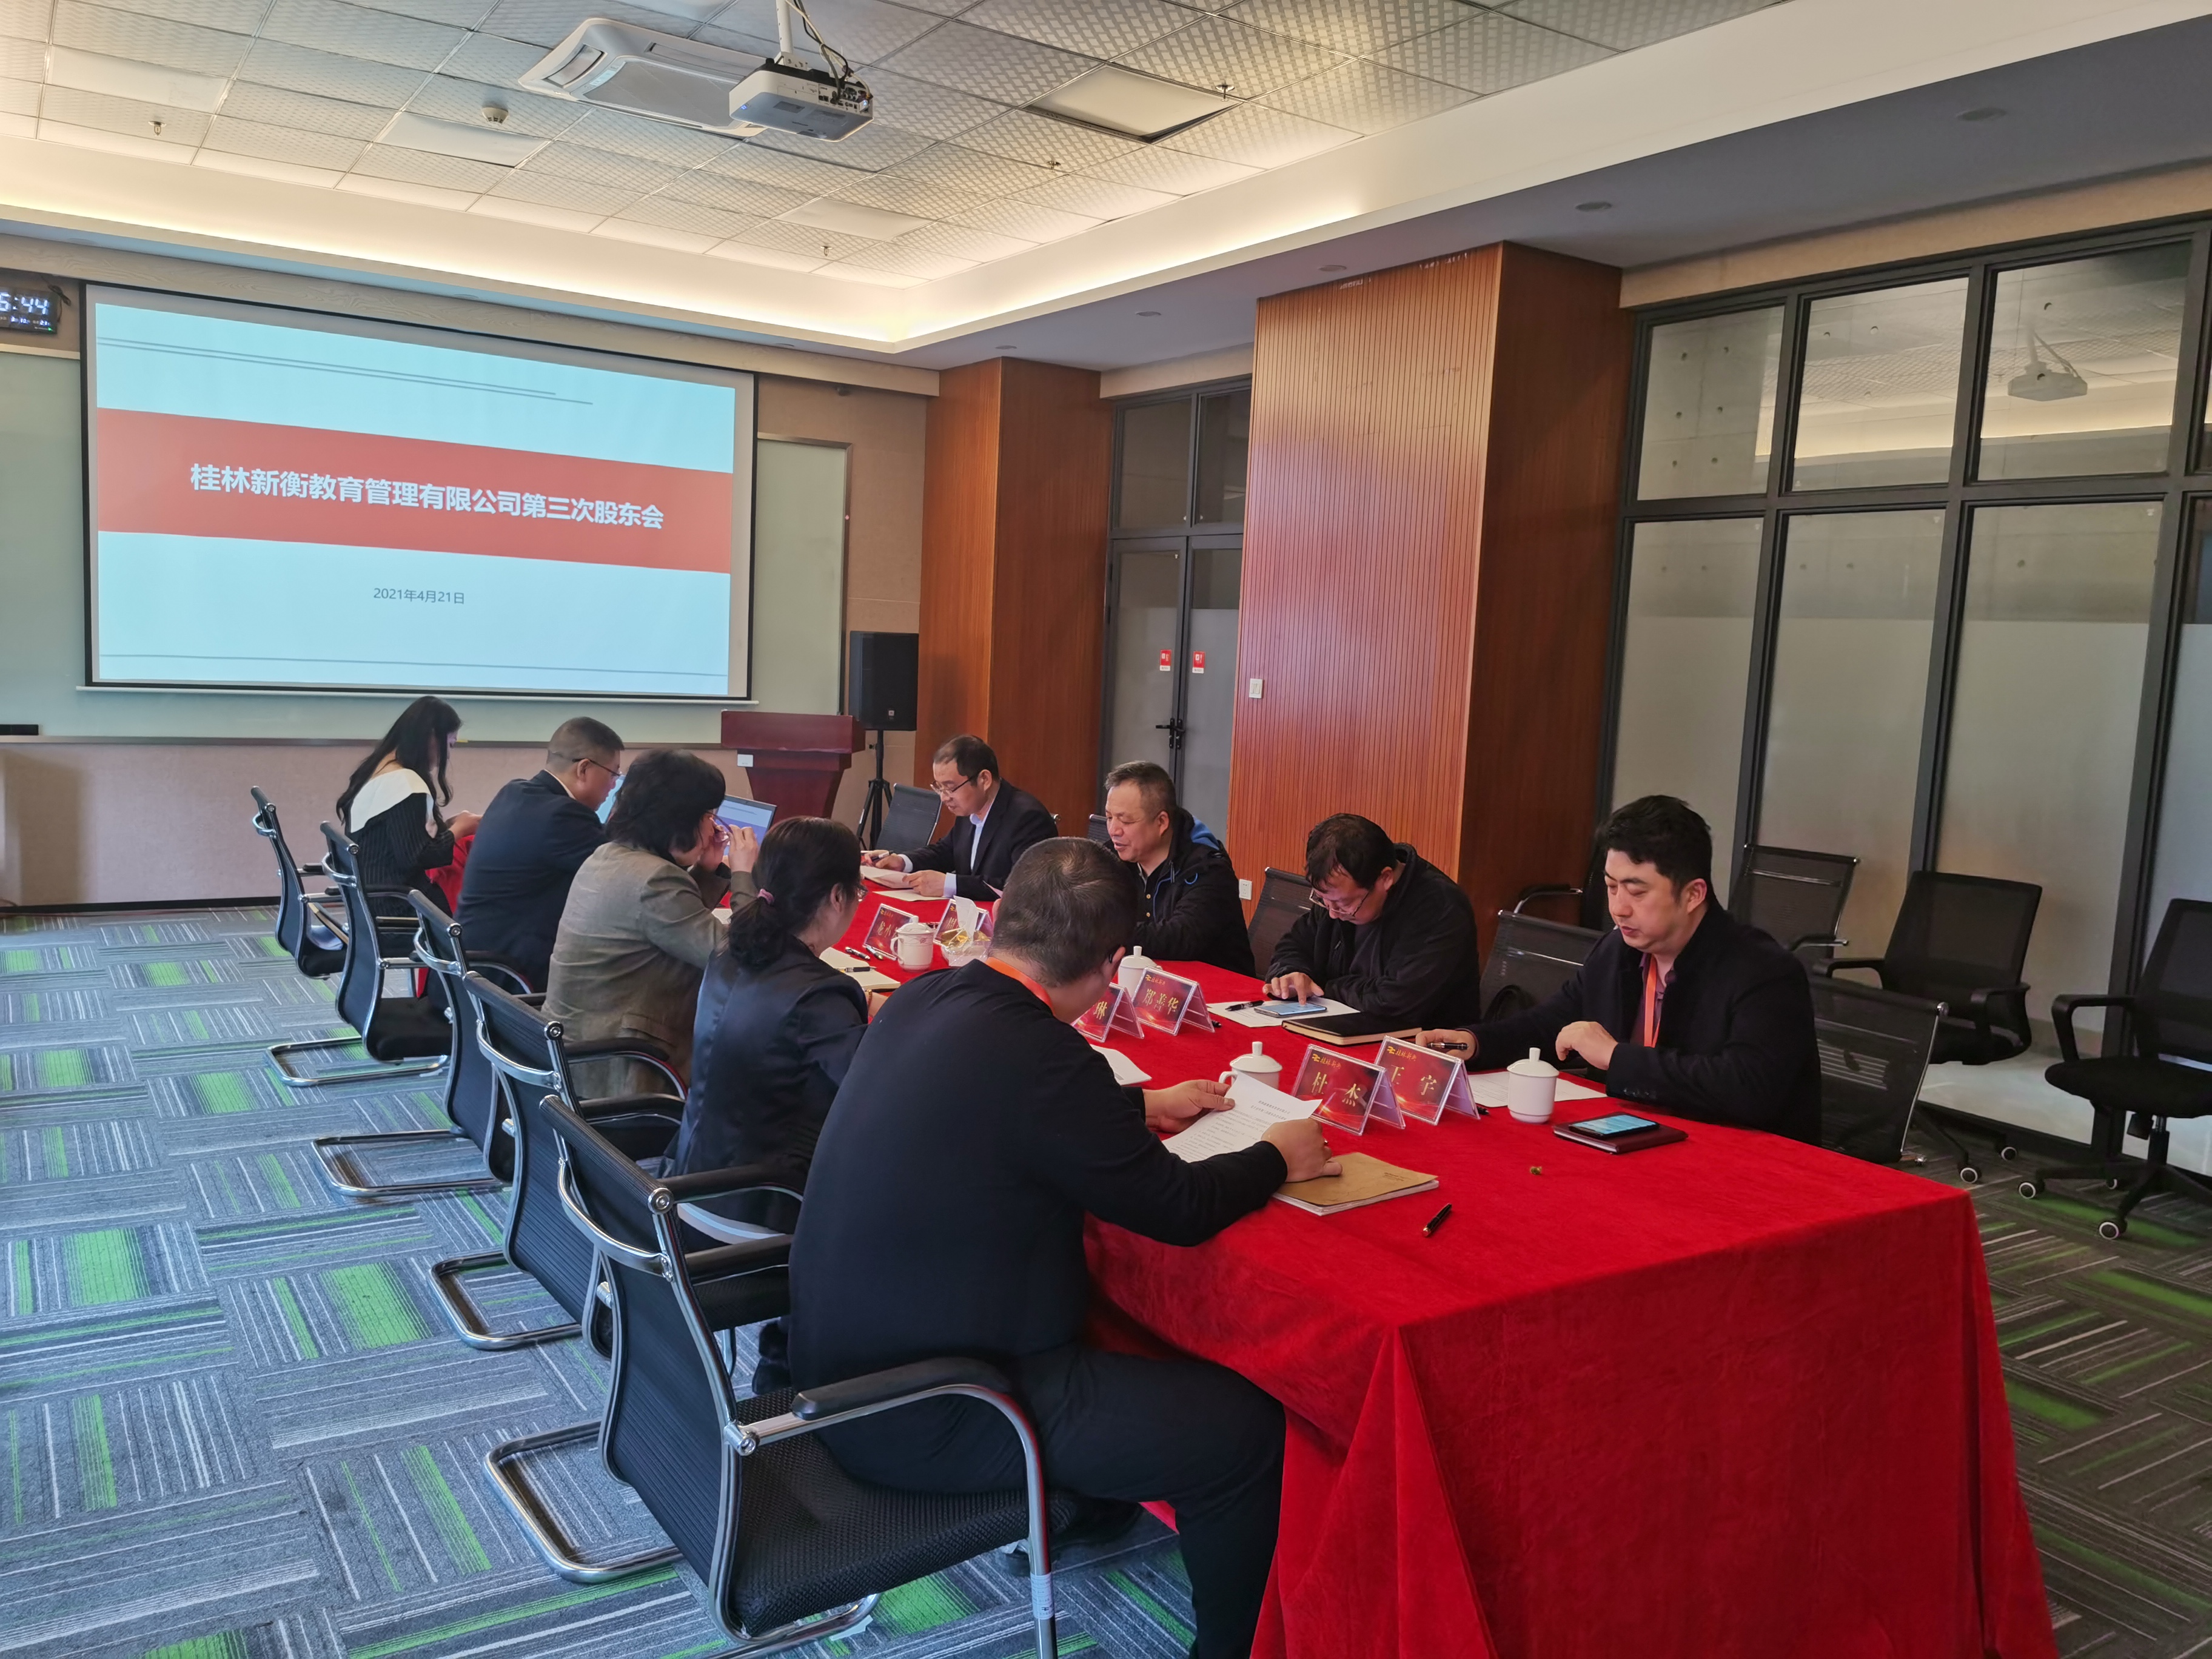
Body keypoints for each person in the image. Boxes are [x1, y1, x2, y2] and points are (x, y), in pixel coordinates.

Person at [789, 839, 1336, 1659]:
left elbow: (1002, 1105)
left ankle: (1099, 1497)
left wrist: (1140, 1103)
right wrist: (1275, 1156)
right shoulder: (1046, 1056)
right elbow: (1178, 1208)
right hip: (940, 1404)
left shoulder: (925, 996)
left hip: (840, 1369)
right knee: (1244, 1437)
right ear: (1113, 964)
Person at [1416, 795, 1820, 1143]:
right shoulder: (1619, 950)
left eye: (1636, 891)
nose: (1618, 908)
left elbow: (1748, 1088)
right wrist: (1474, 1043)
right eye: (1611, 887)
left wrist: (1616, 1057)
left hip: (1742, 1161)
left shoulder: (1763, 971)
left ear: (1693, 894)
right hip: (1636, 1140)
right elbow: (1552, 1023)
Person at [675, 816, 871, 1235]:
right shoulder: (822, 995)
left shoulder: (729, 950)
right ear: (838, 896)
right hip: (760, 1210)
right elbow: (874, 1099)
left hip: (686, 1183)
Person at [544, 749, 757, 1096]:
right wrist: (743, 874)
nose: (713, 828)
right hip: (620, 1072)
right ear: (680, 819)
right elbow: (742, 957)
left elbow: (669, 926)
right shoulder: (655, 880)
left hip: (574, 1056)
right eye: (708, 816)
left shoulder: (608, 855)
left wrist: (706, 871)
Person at [1264, 814, 1480, 1027]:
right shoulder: (1337, 897)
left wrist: (1323, 987)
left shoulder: (1440, 908)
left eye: (1344, 903)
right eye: (1322, 900)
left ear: (1385, 878)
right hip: (1340, 1024)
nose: (1332, 913)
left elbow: (1395, 1001)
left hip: (1416, 1040)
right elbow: (1294, 944)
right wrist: (1292, 973)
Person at [455, 717, 623, 990]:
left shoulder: (514, 792)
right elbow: (626, 876)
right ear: (584, 768)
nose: (614, 785)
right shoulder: (563, 816)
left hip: (473, 965)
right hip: (508, 980)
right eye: (613, 774)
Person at [335, 695, 480, 933]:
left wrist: (448, 827)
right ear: (431, 736)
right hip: (398, 910)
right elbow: (420, 857)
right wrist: (460, 829)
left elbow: (399, 837)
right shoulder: (405, 782)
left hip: (371, 902)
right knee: (484, 915)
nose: (447, 755)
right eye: (450, 745)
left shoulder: (377, 770)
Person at [1101, 760, 1253, 975]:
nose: (1113, 830)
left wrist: (1101, 934)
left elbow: (1181, 936)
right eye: (1109, 817)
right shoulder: (1111, 857)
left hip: (1215, 988)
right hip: (1147, 980)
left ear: (1161, 822)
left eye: (1125, 821)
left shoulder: (1208, 868)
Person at [859, 734, 1056, 900]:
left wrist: (950, 884)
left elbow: (1023, 888)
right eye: (939, 788)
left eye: (950, 788)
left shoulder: (1028, 818)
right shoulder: (970, 807)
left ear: (984, 779)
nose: (944, 798)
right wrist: (903, 861)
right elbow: (947, 851)